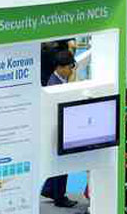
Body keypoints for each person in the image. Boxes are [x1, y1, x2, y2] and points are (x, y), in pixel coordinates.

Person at [41, 50, 77, 208]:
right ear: (60, 67)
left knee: (57, 163)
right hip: (57, 129)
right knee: (62, 164)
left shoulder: (60, 80)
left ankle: (49, 190)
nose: (72, 70)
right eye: (70, 67)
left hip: (59, 127)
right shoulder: (54, 85)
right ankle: (59, 197)